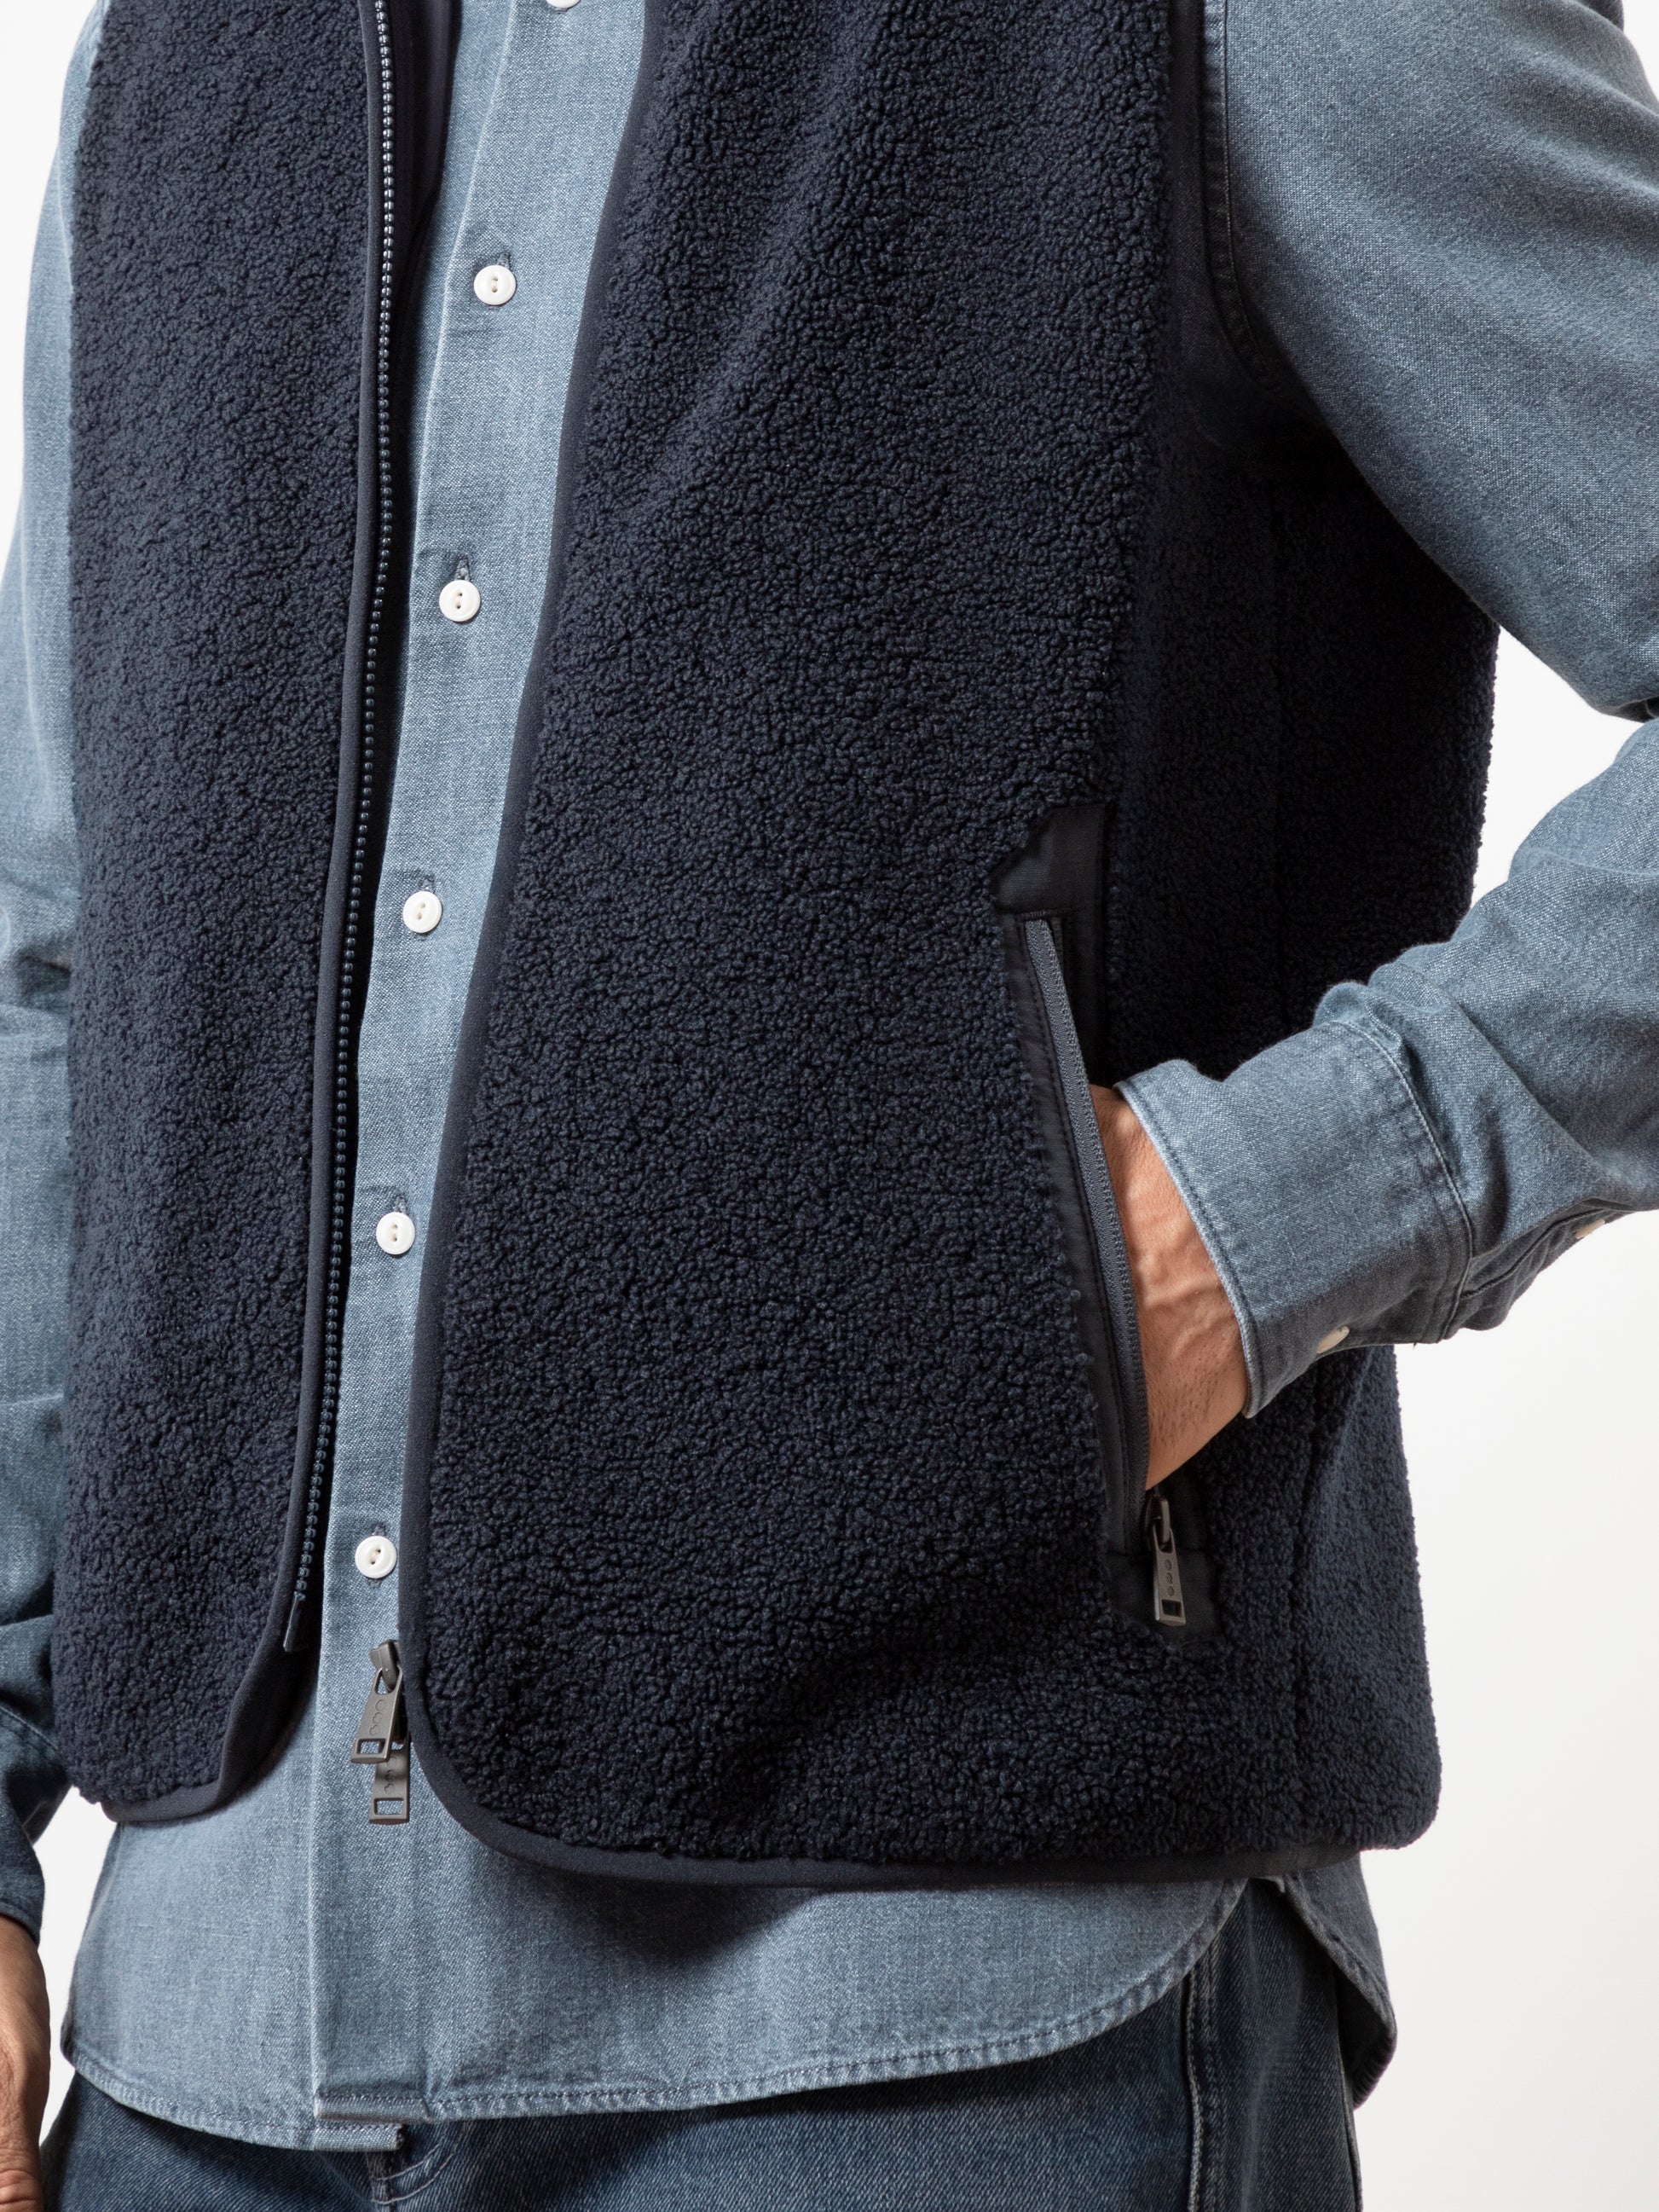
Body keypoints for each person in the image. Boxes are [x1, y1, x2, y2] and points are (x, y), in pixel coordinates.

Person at [3, 0, 1657, 2203]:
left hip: (952, 2018)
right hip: (195, 2067)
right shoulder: (185, 50)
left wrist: (1250, 1219)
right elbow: (66, 959)